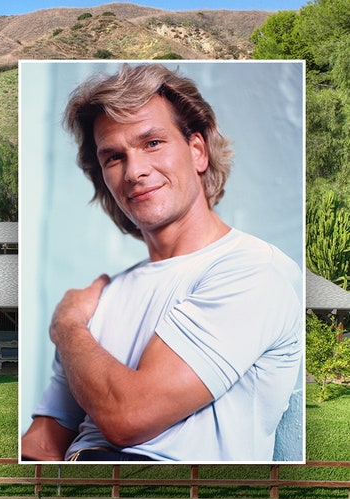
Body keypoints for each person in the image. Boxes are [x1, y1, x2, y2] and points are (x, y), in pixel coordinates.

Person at [20, 63, 303, 462]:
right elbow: (43, 443)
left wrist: (66, 327)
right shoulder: (103, 298)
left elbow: (128, 415)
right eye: (114, 157)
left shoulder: (253, 270)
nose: (134, 171)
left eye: (152, 142)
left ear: (198, 151)